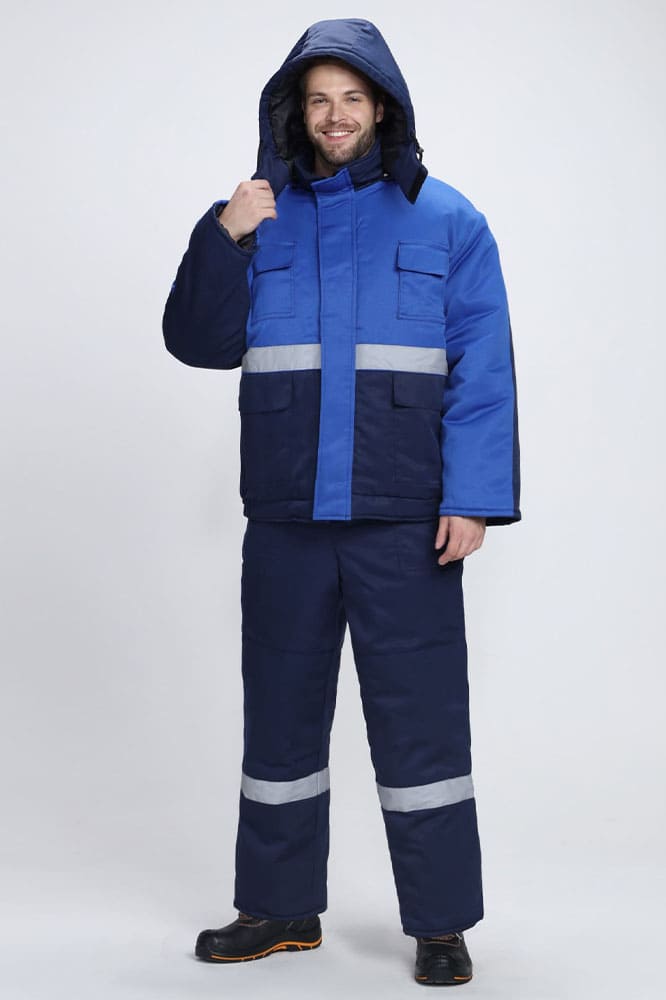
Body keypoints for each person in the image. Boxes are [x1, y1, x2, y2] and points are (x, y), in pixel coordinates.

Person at [162, 17, 521, 988]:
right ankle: (280, 908)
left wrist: (474, 497)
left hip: (406, 519)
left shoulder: (449, 220)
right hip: (287, 517)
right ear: (295, 111)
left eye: (352, 98)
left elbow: (482, 368)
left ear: (383, 110)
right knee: (279, 719)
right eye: (318, 99)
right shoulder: (257, 214)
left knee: (422, 722)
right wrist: (224, 236)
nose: (335, 115)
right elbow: (198, 341)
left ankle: (440, 923)